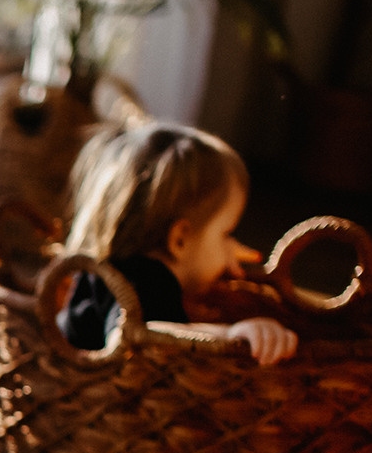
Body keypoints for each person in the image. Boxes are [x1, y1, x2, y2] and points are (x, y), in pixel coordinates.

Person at [59, 122, 299, 365]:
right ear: (180, 239)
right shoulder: (152, 281)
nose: (231, 246)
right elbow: (146, 335)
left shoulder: (107, 271)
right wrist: (228, 334)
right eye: (225, 233)